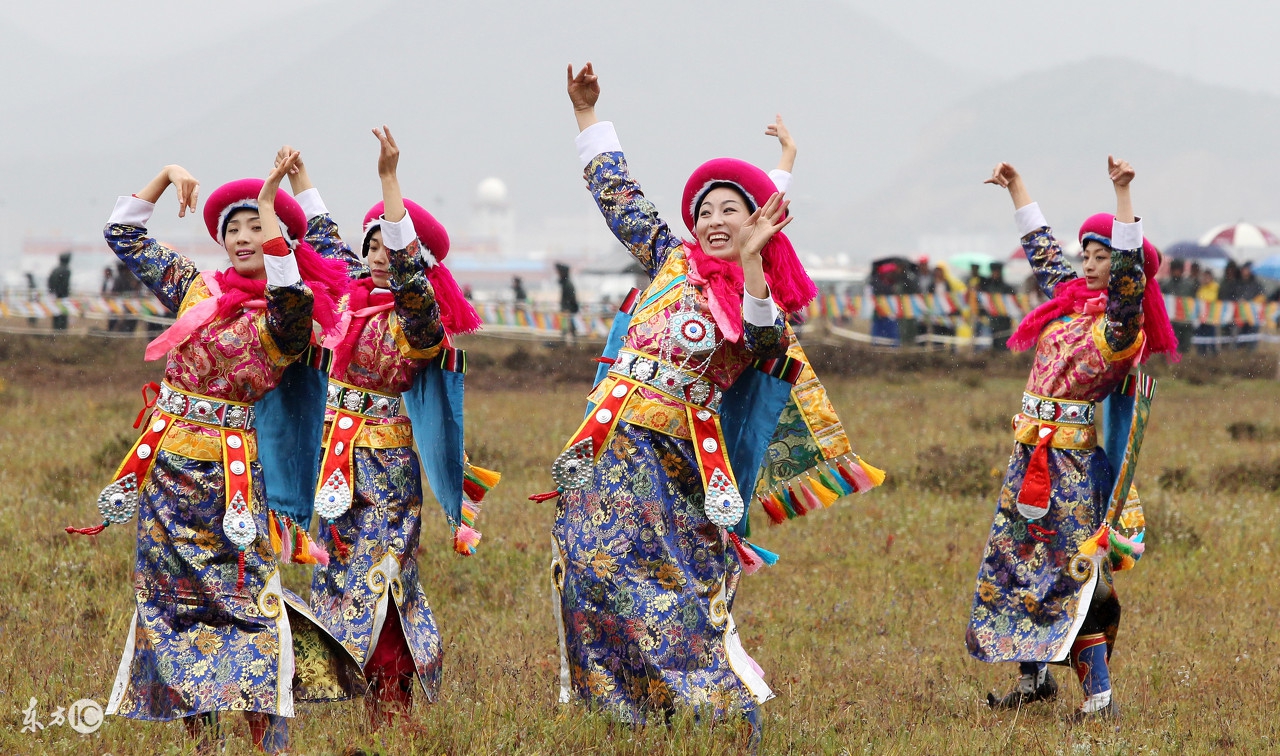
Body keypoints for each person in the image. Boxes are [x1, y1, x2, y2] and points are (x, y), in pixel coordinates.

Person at [548, 63, 883, 731]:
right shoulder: (672, 260)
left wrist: (755, 257)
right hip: (604, 441)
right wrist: (587, 114)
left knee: (662, 583)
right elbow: (620, 195)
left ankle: (723, 708)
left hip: (673, 459)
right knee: (583, 566)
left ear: (758, 225)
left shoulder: (762, 305)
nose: (713, 219)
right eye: (704, 210)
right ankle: (636, 713)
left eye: (731, 209)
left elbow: (760, 342)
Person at [70, 156, 360, 754]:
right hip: (165, 472)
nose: (243, 237)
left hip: (231, 481)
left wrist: (281, 194)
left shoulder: (288, 316)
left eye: (257, 226)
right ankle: (201, 743)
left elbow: (291, 290)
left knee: (250, 603)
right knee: (170, 607)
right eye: (233, 228)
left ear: (278, 237)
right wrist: (166, 174)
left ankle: (266, 741)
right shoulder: (196, 287)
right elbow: (124, 234)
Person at [279, 130, 495, 728]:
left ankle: (394, 701)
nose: (377, 252)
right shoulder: (350, 295)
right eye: (370, 241)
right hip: (334, 462)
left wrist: (389, 182)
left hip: (387, 466)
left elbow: (406, 271)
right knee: (338, 570)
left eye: (389, 245)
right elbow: (323, 240)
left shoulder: (418, 318)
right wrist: (300, 179)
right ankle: (356, 688)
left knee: (386, 574)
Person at [968, 157, 1178, 721]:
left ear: (1125, 269)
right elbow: (1042, 253)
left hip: (1070, 471)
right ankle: (1033, 679)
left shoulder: (1118, 328)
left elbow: (1130, 278)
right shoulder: (1068, 309)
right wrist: (1017, 189)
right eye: (1084, 254)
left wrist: (1123, 195)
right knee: (1017, 563)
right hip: (1027, 458)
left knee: (1073, 574)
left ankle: (1100, 696)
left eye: (1100, 256)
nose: (1087, 264)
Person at [1163, 259, 1197, 352]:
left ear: (1182, 270)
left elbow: (1194, 301)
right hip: (1171, 321)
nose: (1176, 272)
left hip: (1186, 321)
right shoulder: (1166, 284)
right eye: (1174, 270)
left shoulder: (1189, 284)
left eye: (1178, 270)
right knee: (1172, 345)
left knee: (1185, 346)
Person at [983, 261, 1016, 351]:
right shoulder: (988, 287)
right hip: (993, 320)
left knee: (1004, 342)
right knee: (994, 343)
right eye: (993, 272)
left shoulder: (1007, 288)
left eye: (997, 272)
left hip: (1004, 321)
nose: (995, 274)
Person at [1236, 262, 1265, 350]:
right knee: (1241, 333)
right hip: (1240, 313)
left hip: (1253, 313)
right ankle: (1240, 351)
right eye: (1244, 269)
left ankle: (1251, 352)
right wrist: (1238, 300)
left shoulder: (1256, 284)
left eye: (1247, 269)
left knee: (1253, 333)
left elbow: (1262, 297)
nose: (1245, 271)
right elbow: (1233, 295)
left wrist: (1249, 302)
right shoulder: (1238, 283)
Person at [1195, 268, 1219, 356]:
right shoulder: (1201, 288)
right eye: (1204, 277)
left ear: (1211, 277)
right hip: (1201, 316)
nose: (1206, 279)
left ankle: (1213, 354)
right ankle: (1202, 354)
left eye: (1207, 277)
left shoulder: (1216, 287)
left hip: (1211, 317)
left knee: (1211, 335)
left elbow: (1216, 299)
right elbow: (1198, 300)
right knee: (1201, 336)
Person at [47, 251, 72, 330]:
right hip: (63, 296)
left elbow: (50, 281)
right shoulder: (67, 270)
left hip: (55, 295)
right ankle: (62, 331)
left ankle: (56, 330)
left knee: (56, 314)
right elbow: (65, 284)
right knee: (63, 314)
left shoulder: (55, 269)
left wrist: (52, 292)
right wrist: (62, 293)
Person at [556, 262, 579, 344]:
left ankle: (569, 346)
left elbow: (571, 299)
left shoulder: (568, 284)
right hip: (567, 310)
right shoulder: (566, 283)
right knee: (566, 328)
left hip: (568, 311)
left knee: (568, 329)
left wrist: (567, 309)